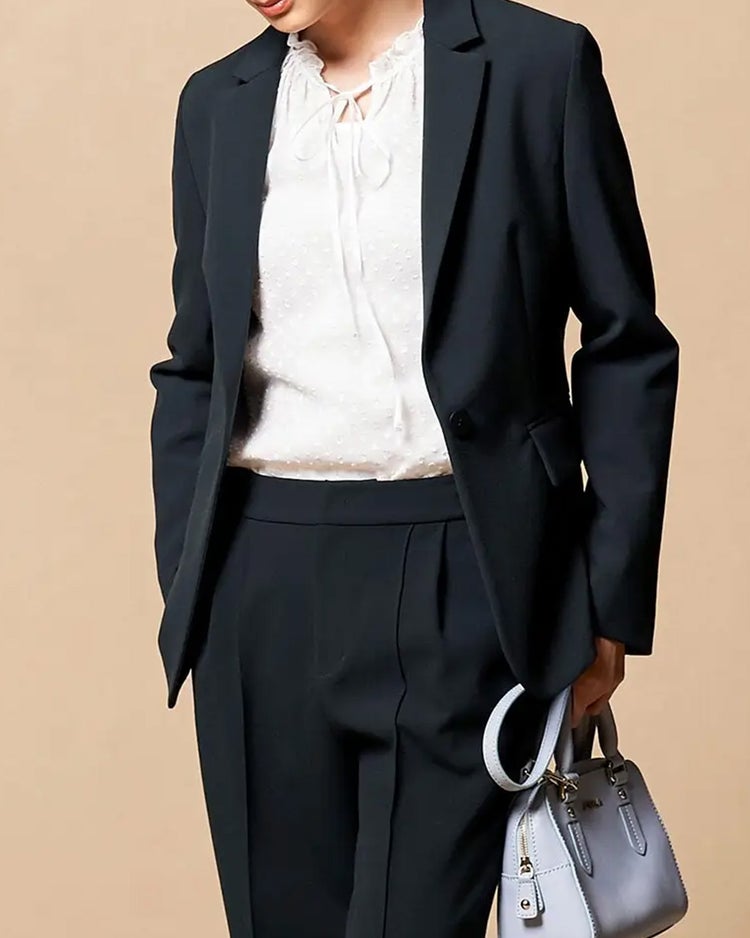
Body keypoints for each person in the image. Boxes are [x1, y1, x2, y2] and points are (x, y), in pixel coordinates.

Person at [147, 0, 679, 935]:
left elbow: (626, 345)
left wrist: (608, 605)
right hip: (260, 581)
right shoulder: (217, 102)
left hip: (468, 574)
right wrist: (192, 579)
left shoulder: (537, 67)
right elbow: (197, 362)